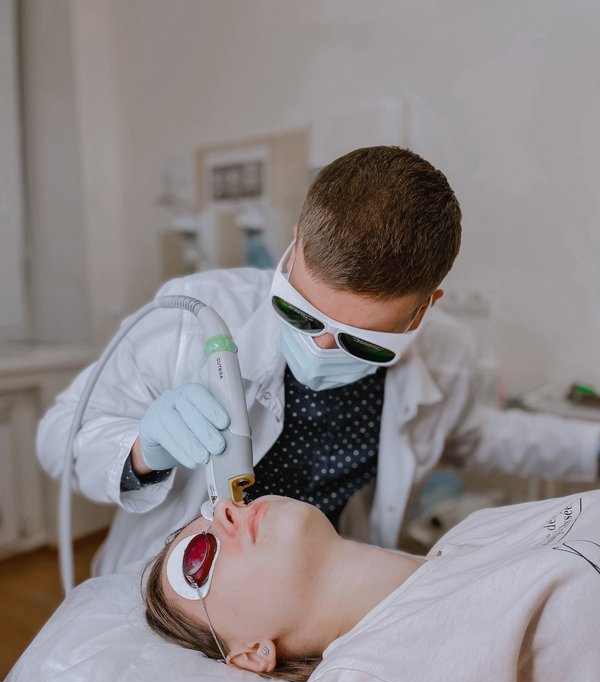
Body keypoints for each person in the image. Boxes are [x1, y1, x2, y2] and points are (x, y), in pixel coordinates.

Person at [37, 146, 600, 575]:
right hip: (169, 576)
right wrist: (143, 451)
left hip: (311, 584)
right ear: (295, 244)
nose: (321, 348)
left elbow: (469, 436)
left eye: (363, 341)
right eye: (300, 314)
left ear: (425, 309)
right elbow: (59, 434)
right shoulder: (192, 314)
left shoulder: (447, 356)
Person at [144, 492, 600, 682]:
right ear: (250, 653)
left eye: (213, 505)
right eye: (198, 558)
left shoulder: (479, 530)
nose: (226, 509)